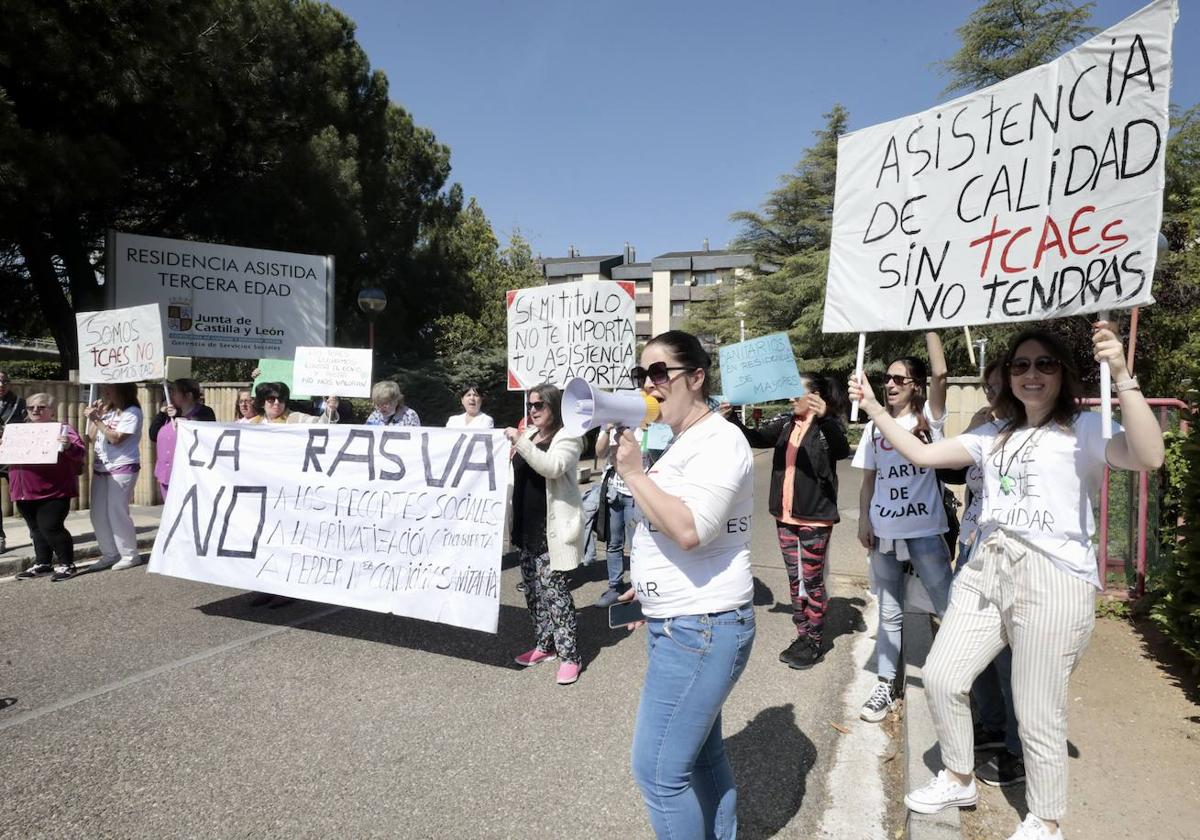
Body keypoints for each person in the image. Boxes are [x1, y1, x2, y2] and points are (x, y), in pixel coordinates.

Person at [849, 323, 1164, 840]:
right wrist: (877, 410)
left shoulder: (1085, 428)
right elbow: (926, 455)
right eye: (1020, 365)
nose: (1031, 374)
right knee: (946, 676)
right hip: (986, 566)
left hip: (1054, 577)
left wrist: (1123, 376)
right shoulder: (993, 433)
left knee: (1037, 708)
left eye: (1045, 364)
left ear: (1063, 372)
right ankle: (958, 776)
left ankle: (1046, 818)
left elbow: (1149, 456)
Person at [613, 330, 756, 840]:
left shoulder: (721, 439)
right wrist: (647, 583)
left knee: (657, 773)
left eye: (659, 373)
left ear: (696, 378)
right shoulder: (685, 440)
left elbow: (691, 529)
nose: (648, 384)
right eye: (641, 375)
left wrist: (634, 475)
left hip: (700, 628)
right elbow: (666, 527)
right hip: (687, 620)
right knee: (700, 757)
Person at [852, 332, 952, 723]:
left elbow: (941, 373)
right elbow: (868, 481)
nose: (890, 385)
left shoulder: (929, 419)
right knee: (889, 610)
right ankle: (885, 685)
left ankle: (956, 680)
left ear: (916, 385)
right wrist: (864, 519)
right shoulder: (875, 426)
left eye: (899, 379)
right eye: (887, 379)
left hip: (926, 532)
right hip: (884, 533)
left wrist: (929, 324)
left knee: (948, 609)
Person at [723, 375, 851, 668]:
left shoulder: (827, 426)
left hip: (814, 518)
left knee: (813, 581)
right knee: (796, 581)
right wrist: (732, 417)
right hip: (785, 516)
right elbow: (755, 438)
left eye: (797, 393)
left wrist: (823, 418)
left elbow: (841, 451)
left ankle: (815, 641)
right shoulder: (785, 423)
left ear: (815, 396)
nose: (792, 398)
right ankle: (801, 634)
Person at [957, 360, 1022, 787]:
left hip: (1014, 555)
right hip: (973, 544)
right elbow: (950, 471)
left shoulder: (1032, 432)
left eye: (1002, 386)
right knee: (971, 647)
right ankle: (993, 724)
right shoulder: (982, 428)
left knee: (1012, 659)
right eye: (990, 386)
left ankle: (1018, 751)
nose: (994, 393)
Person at [505, 383, 585, 685]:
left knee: (556, 595)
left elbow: (552, 467)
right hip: (526, 525)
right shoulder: (528, 436)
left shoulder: (569, 436)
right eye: (530, 405)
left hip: (551, 530)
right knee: (534, 593)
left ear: (555, 406)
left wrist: (520, 442)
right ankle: (544, 645)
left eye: (540, 405)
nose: (533, 410)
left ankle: (569, 655)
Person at [12, 394, 86, 581]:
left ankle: (67, 564)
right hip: (23, 490)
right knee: (36, 529)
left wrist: (68, 446)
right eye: (31, 407)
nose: (35, 410)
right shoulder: (18, 430)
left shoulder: (63, 429)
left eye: (41, 407)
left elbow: (80, 453)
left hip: (54, 490)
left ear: (52, 410)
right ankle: (43, 563)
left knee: (51, 527)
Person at [85, 383, 145, 571]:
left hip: (122, 466)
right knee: (97, 513)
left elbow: (116, 438)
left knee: (116, 512)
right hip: (101, 467)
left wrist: (97, 420)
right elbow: (91, 437)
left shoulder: (132, 412)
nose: (105, 391)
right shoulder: (107, 411)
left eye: (109, 388)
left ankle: (130, 554)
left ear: (122, 390)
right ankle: (110, 554)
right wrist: (97, 417)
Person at [590, 423, 644, 608]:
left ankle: (640, 589)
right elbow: (600, 452)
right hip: (614, 492)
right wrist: (607, 430)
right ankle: (615, 587)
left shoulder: (645, 423)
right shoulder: (609, 423)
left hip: (636, 493)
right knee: (613, 543)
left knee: (637, 544)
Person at [149, 378, 217, 498]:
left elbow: (205, 434)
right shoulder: (169, 413)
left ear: (188, 395)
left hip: (188, 475)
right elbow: (153, 435)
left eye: (174, 391)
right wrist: (161, 414)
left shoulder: (204, 412)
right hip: (166, 475)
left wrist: (179, 418)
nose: (171, 395)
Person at [0, 370, 28, 554]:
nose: (1, 385)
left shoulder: (21, 403)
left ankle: (37, 532)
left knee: (23, 496)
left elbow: (30, 428)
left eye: (4, 381)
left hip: (13, 456)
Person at [249, 382, 325, 425]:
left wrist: (331, 410)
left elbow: (321, 424)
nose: (277, 402)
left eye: (281, 399)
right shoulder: (253, 423)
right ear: (262, 403)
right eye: (271, 399)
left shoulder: (296, 418)